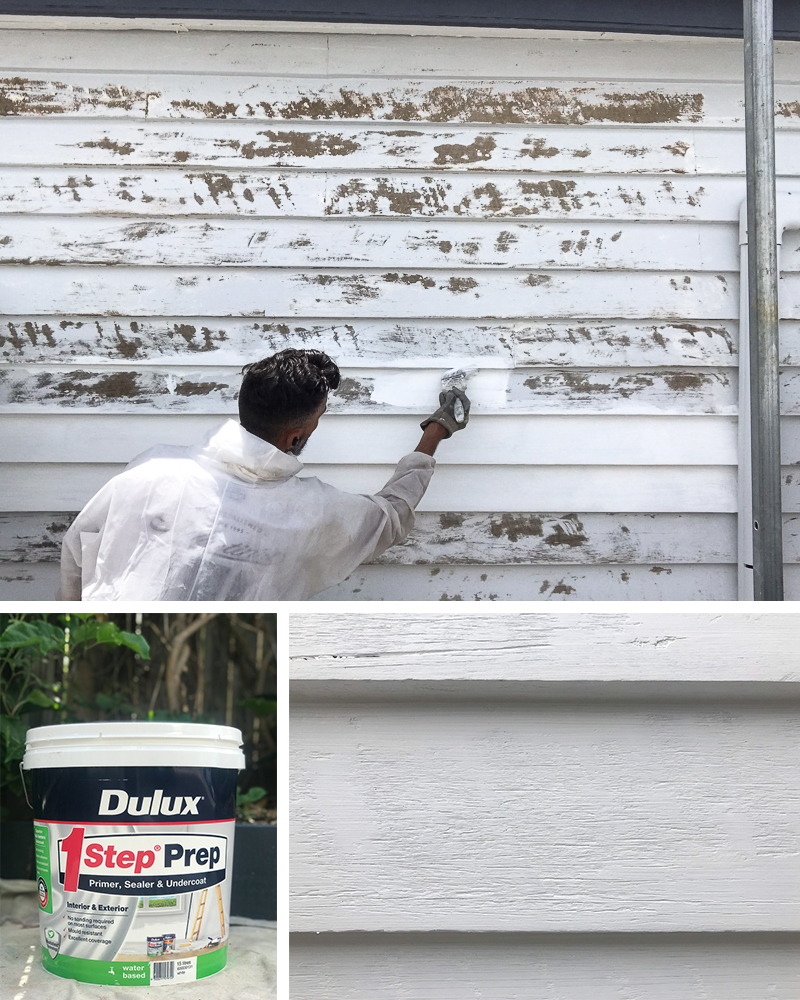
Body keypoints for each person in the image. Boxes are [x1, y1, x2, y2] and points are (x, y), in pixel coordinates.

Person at [59, 349, 470, 601]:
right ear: (296, 435)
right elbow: (390, 515)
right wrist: (436, 432)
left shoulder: (150, 472)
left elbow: (77, 553)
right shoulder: (310, 513)